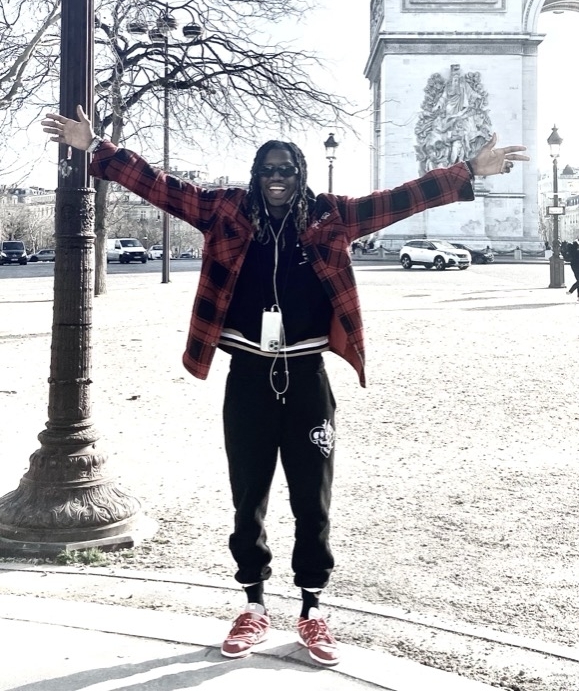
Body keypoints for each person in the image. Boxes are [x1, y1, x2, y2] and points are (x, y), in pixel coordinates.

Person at [41, 106, 528, 667]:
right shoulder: (225, 210)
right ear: (256, 175)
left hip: (306, 378)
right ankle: (253, 603)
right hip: (248, 376)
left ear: (301, 175)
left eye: (287, 170)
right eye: (268, 170)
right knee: (248, 498)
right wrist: (97, 148)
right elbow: (159, 186)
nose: (277, 178)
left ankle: (312, 609)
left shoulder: (331, 216)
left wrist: (468, 169)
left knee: (312, 500)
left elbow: (403, 198)